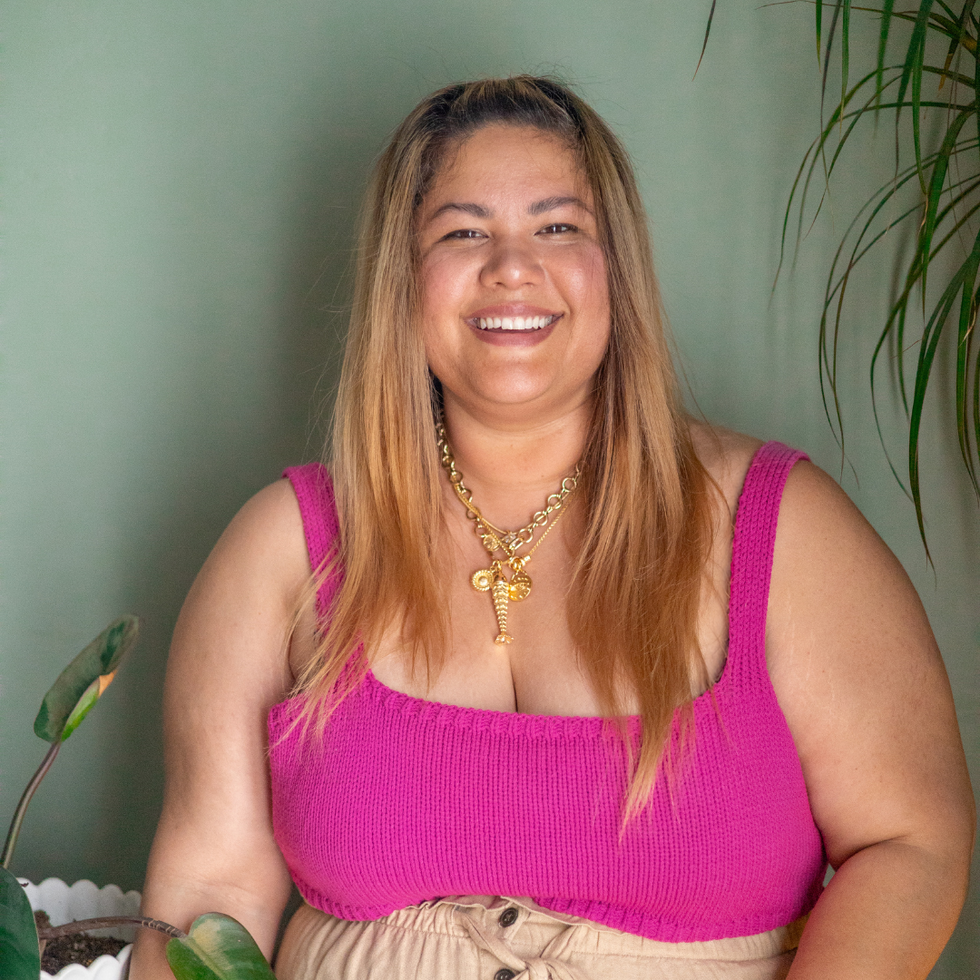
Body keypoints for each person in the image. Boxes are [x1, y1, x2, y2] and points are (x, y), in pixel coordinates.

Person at [131, 76, 975, 980]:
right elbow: (210, 891)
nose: (511, 266)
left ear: (617, 267)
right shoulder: (283, 548)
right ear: (401, 280)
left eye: (558, 226)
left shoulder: (779, 526)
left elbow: (911, 844)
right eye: (462, 232)